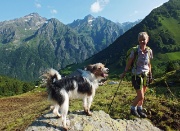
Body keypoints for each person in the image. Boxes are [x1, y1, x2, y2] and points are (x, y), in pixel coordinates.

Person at [121, 32, 153, 118]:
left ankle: (140, 108)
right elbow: (129, 62)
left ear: (148, 39)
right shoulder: (135, 51)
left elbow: (149, 63)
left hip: (146, 74)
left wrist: (150, 73)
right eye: (140, 40)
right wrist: (124, 72)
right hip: (136, 75)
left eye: (144, 39)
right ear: (138, 41)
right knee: (140, 95)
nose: (142, 41)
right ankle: (133, 108)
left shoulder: (149, 51)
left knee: (143, 94)